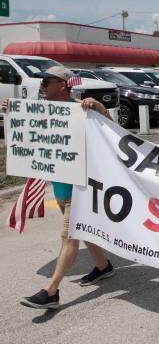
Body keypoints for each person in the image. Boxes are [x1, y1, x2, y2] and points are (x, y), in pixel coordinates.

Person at [4, 66, 116, 309]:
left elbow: (112, 132)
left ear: (63, 85)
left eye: (48, 82)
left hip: (81, 188)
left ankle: (51, 291)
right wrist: (12, 114)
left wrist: (99, 107)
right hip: (61, 188)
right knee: (83, 230)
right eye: (43, 83)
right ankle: (103, 266)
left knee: (69, 236)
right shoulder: (43, 112)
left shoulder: (83, 110)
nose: (43, 87)